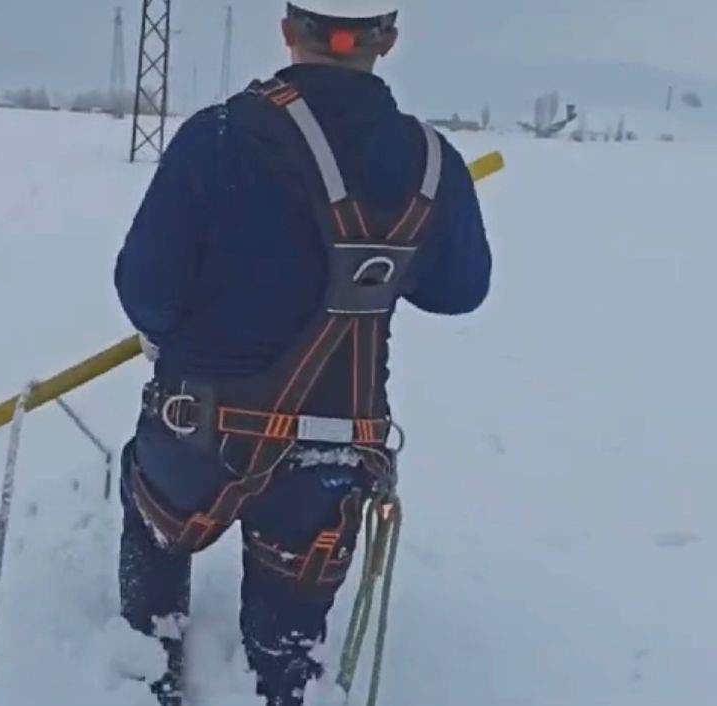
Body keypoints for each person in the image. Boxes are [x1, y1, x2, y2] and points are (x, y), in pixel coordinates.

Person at [112, 2, 492, 705]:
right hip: (333, 459)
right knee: (288, 643)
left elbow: (147, 295)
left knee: (150, 507)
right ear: (388, 39)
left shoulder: (217, 137)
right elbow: (460, 291)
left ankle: (148, 663)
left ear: (289, 30)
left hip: (196, 439)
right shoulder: (434, 165)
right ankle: (280, 678)